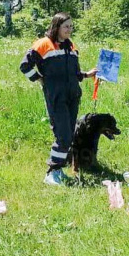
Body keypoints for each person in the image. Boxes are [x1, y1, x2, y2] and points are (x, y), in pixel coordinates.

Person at [20, 13, 97, 185]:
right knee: (62, 135)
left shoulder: (71, 47)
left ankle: (59, 170)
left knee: (68, 136)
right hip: (56, 97)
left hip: (73, 95)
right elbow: (24, 66)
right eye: (66, 26)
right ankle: (51, 173)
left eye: (71, 26)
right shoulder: (43, 44)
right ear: (56, 27)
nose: (69, 30)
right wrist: (39, 79)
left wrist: (87, 74)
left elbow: (74, 73)